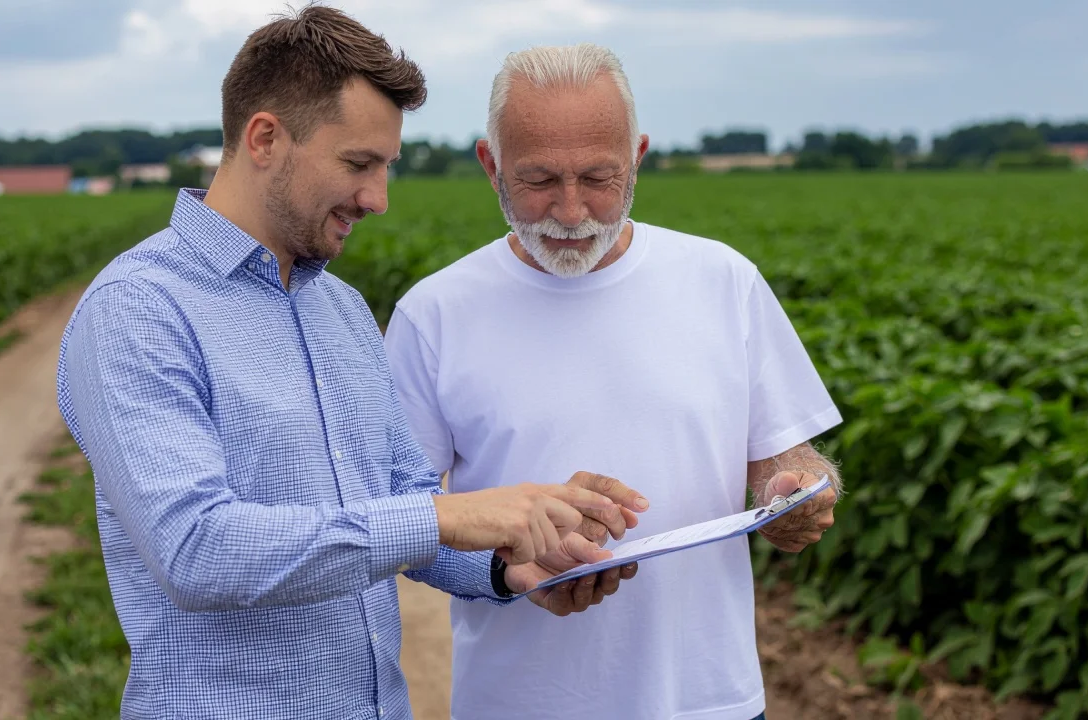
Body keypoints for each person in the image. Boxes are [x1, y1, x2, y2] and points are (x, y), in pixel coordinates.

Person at [55, 12, 649, 720]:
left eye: (386, 166)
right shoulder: (139, 310)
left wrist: (506, 565)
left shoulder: (339, 309)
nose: (378, 198)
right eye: (358, 164)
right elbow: (195, 549)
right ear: (266, 139)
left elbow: (397, 497)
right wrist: (446, 515)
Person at [382, 43, 845, 720]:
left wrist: (795, 493)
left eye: (598, 178)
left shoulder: (723, 282)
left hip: (709, 700)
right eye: (538, 180)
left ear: (638, 158)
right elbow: (401, 524)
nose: (571, 214)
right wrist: (510, 570)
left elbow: (786, 460)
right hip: (517, 704)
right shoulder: (433, 315)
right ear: (491, 166)